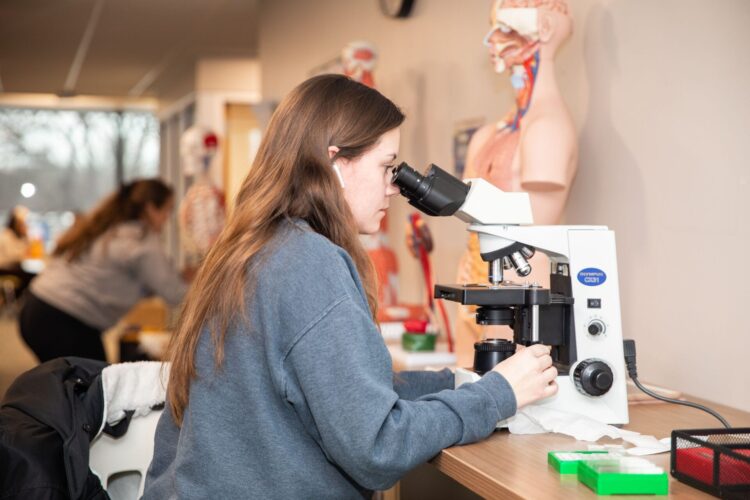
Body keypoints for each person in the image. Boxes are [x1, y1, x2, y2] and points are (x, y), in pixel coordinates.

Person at [143, 74, 558, 498]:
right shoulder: (309, 262)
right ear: (336, 164)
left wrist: (451, 382)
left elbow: (331, 390)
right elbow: (378, 448)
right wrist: (498, 395)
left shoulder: (253, 248)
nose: (395, 187)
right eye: (386, 166)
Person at [454, 0, 578, 366]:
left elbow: (531, 233)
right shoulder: (491, 133)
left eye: (509, 28)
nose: (494, 40)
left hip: (520, 291)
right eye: (494, 27)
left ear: (546, 29)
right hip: (478, 284)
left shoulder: (547, 131)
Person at [19, 179, 188, 362]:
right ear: (150, 208)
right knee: (94, 384)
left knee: (64, 383)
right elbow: (175, 294)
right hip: (65, 319)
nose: (167, 218)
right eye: (167, 210)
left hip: (36, 306)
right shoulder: (141, 240)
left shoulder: (110, 228)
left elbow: (133, 280)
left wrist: (178, 277)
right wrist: (205, 282)